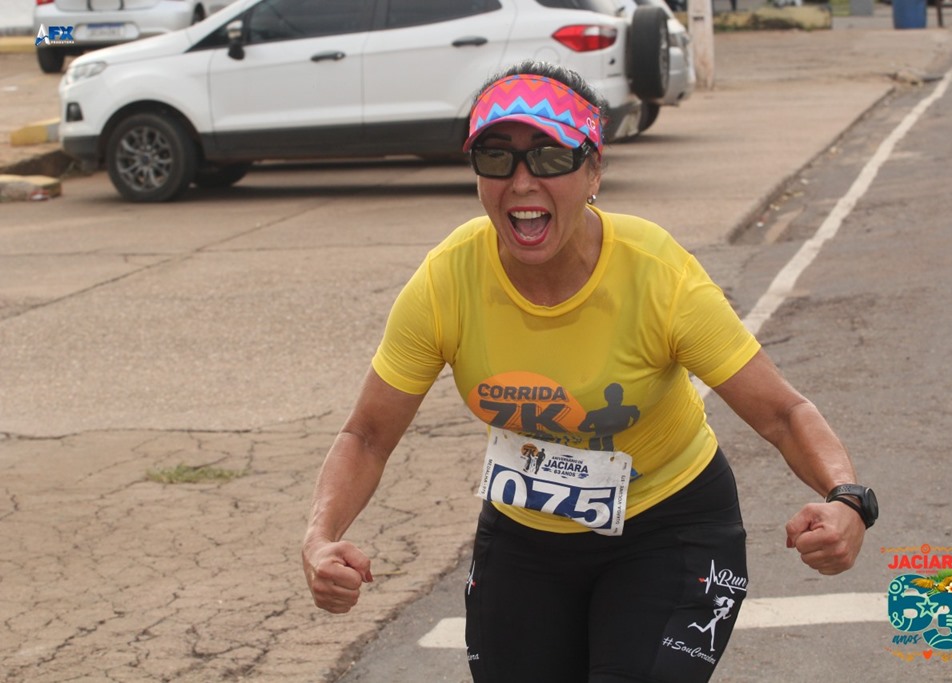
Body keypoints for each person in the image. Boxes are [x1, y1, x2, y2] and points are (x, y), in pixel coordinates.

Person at [302, 60, 877, 683]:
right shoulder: (447, 280)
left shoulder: (656, 274)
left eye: (550, 157)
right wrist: (320, 538)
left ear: (595, 170)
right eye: (496, 158)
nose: (522, 182)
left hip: (669, 528)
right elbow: (367, 435)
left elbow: (783, 413)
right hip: (525, 537)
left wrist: (846, 498)